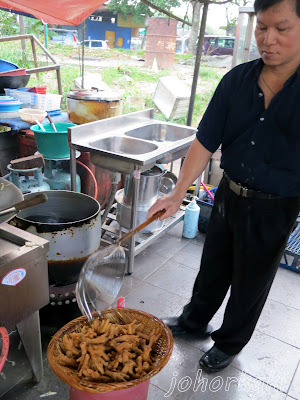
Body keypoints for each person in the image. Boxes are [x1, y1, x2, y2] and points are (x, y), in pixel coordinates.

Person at [147, 0, 300, 373]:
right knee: (213, 264)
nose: (268, 39)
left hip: (277, 204)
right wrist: (177, 191)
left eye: (282, 28)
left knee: (252, 279)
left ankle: (229, 343)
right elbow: (205, 140)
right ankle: (193, 321)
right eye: (262, 28)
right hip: (229, 192)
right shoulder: (237, 80)